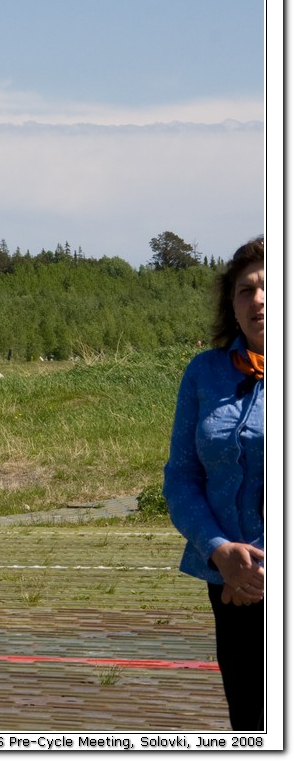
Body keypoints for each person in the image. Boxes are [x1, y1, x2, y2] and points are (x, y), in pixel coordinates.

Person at [163, 235, 264, 731]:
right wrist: (220, 550)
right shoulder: (203, 373)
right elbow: (181, 478)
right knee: (250, 721)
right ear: (231, 303)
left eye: (271, 288)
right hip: (228, 585)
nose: (258, 300)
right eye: (246, 290)